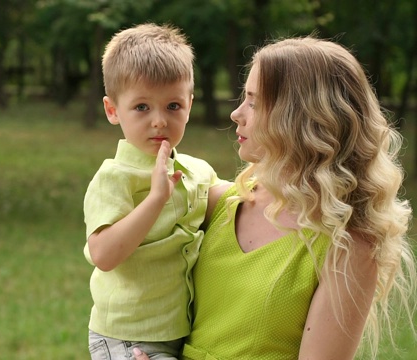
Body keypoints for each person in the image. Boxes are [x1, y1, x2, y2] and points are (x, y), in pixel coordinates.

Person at [133, 36, 416, 360]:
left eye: (254, 102)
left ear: (302, 117)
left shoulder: (347, 246)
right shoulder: (218, 204)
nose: (236, 114)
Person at [83, 23, 225, 359]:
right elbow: (103, 255)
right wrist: (155, 199)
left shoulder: (197, 171)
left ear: (190, 104)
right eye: (142, 107)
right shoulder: (114, 178)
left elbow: (238, 199)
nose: (159, 121)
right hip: (127, 336)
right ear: (112, 110)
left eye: (172, 106)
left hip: (180, 329)